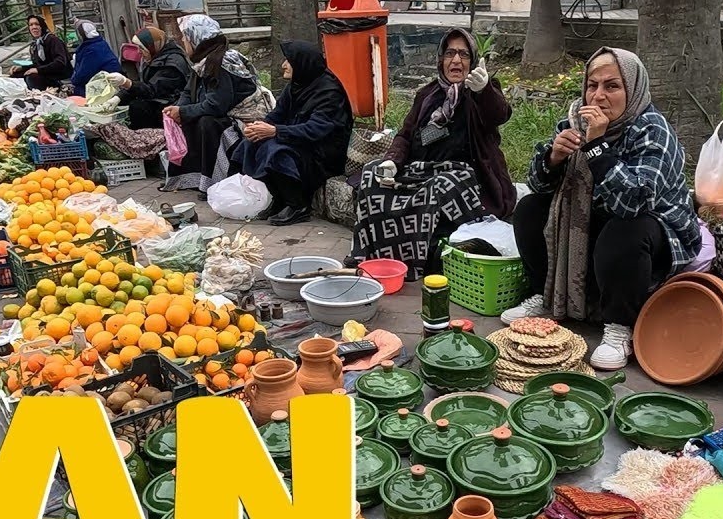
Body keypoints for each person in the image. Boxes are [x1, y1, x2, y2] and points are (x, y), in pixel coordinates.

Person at [505, 47, 699, 371]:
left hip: (656, 231)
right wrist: (553, 159)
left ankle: (619, 326)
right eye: (592, 86)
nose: (598, 97)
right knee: (530, 209)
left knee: (624, 230)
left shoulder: (653, 130)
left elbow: (634, 203)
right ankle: (546, 296)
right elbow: (539, 185)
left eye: (612, 86)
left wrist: (597, 148)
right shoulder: (575, 122)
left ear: (632, 90)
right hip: (598, 224)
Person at [348, 29, 514, 280]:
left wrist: (483, 90)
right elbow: (405, 134)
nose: (456, 60)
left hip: (467, 174)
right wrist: (392, 160)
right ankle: (368, 254)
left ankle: (415, 259)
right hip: (422, 169)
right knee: (371, 174)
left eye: (463, 54)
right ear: (441, 59)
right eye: (450, 53)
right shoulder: (428, 94)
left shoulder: (480, 89)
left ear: (472, 60)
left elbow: (499, 114)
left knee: (438, 187)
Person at [234, 40, 353, 227]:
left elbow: (315, 130)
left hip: (322, 153)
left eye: (288, 61)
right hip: (296, 140)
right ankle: (279, 198)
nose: (283, 65)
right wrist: (260, 126)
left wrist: (275, 131)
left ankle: (298, 205)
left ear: (302, 64)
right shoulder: (297, 86)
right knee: (251, 142)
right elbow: (278, 114)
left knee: (275, 151)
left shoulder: (329, 92)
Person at [161, 14, 274, 195]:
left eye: (185, 37)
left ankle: (216, 183)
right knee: (189, 118)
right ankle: (191, 178)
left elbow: (216, 105)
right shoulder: (203, 62)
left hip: (245, 120)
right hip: (225, 114)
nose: (182, 41)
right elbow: (188, 92)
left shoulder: (221, 63)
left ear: (196, 39)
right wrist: (178, 109)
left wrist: (183, 111)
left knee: (207, 122)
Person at [106, 25, 190, 129]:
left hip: (169, 109)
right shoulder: (155, 57)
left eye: (141, 48)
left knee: (138, 107)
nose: (139, 52)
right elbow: (142, 84)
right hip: (158, 102)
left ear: (151, 46)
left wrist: (127, 82)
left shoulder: (172, 64)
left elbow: (152, 90)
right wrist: (118, 97)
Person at [11, 15, 71, 91]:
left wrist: (38, 70)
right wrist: (21, 68)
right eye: (31, 25)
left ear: (42, 26)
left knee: (31, 77)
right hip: (46, 73)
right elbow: (38, 64)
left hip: (58, 76)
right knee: (16, 75)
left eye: (37, 24)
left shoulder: (53, 40)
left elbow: (60, 63)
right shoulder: (36, 44)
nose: (34, 27)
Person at [68, 20, 120, 97]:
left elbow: (83, 75)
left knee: (77, 90)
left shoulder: (91, 50)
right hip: (111, 79)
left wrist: (73, 80)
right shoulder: (100, 43)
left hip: (107, 85)